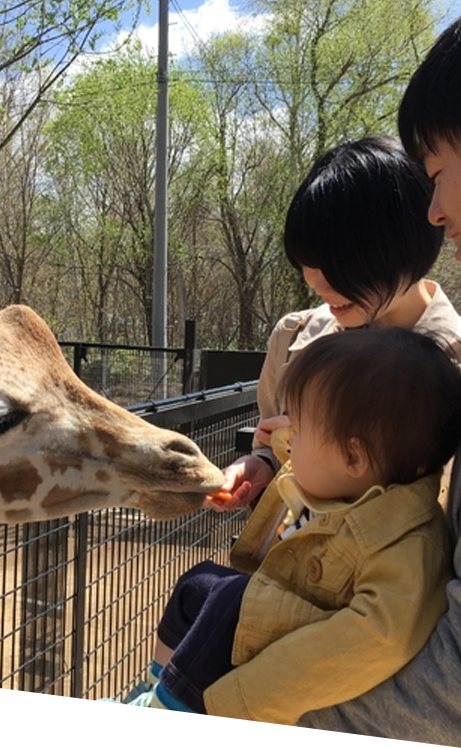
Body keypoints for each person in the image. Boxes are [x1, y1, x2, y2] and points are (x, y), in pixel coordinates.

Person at [82, 326, 461, 748]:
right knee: (199, 586)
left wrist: (252, 697)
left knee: (228, 603)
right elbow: (318, 468)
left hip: (296, 685)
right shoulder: (366, 489)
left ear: (354, 455)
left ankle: (161, 724)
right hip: (296, 621)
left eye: (298, 431)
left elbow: (376, 639)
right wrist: (278, 452)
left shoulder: (406, 545)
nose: (290, 441)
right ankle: (155, 702)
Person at [289, 16, 461, 748]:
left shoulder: (442, 369)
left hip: (366, 636)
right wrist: (273, 455)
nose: (436, 208)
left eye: (440, 173)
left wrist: (242, 690)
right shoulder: (317, 335)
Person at [213, 135, 461, 513]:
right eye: (307, 262)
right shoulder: (292, 337)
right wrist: (264, 462)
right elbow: (269, 444)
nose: (316, 282)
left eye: (340, 263)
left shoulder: (453, 366)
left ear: (403, 246)